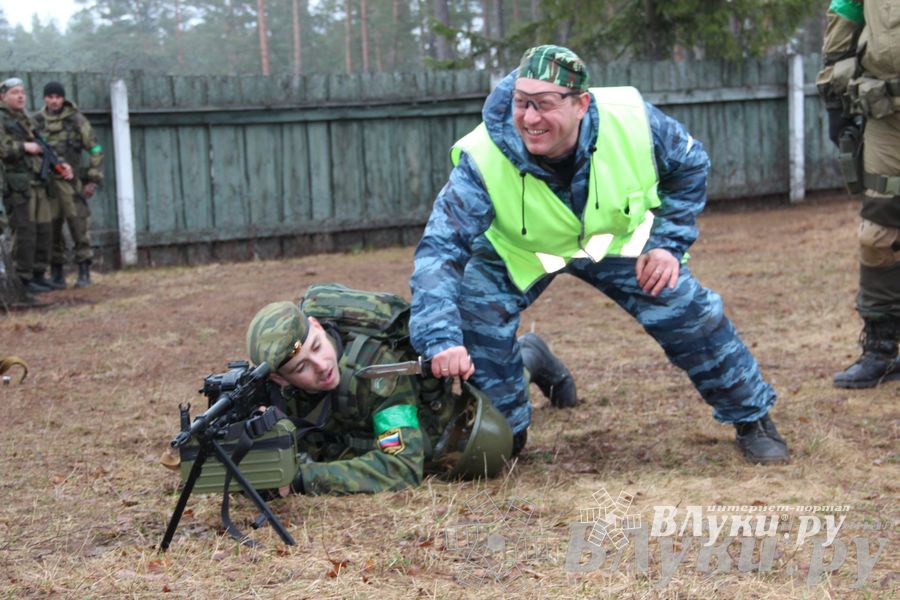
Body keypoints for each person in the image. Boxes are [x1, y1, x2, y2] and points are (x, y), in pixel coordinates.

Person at [409, 45, 790, 465]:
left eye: (545, 104)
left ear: (580, 104)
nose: (530, 119)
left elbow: (690, 165)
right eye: (521, 103)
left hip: (615, 241)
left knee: (689, 311)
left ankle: (751, 418)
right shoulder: (483, 156)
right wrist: (441, 338)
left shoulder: (632, 120)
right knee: (476, 327)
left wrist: (668, 243)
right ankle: (512, 426)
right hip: (519, 251)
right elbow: (440, 249)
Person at [244, 291, 571, 495]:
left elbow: (401, 468)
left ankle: (531, 355)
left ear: (316, 325)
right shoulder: (278, 393)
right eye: (301, 368)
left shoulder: (375, 372)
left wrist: (304, 478)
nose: (320, 365)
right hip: (362, 432)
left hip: (449, 430)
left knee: (505, 439)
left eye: (317, 346)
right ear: (279, 379)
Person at [816, 0, 900, 388]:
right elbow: (844, 19)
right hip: (888, 116)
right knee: (877, 233)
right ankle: (882, 351)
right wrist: (836, 103)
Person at [0, 78, 72, 294]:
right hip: (17, 184)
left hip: (38, 182)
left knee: (44, 230)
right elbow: (3, 149)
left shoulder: (25, 119)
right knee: (24, 231)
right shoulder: (3, 119)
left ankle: (39, 273)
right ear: (3, 97)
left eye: (22, 92)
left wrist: (60, 164)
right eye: (14, 92)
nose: (20, 96)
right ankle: (23, 277)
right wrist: (24, 146)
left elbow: (43, 146)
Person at [32, 81, 104, 289]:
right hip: (47, 184)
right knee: (51, 228)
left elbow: (95, 149)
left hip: (73, 182)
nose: (54, 101)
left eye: (58, 97)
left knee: (78, 225)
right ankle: (56, 273)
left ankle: (84, 271)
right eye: (50, 97)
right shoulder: (36, 121)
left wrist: (92, 179)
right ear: (44, 98)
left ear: (63, 98)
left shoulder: (76, 120)